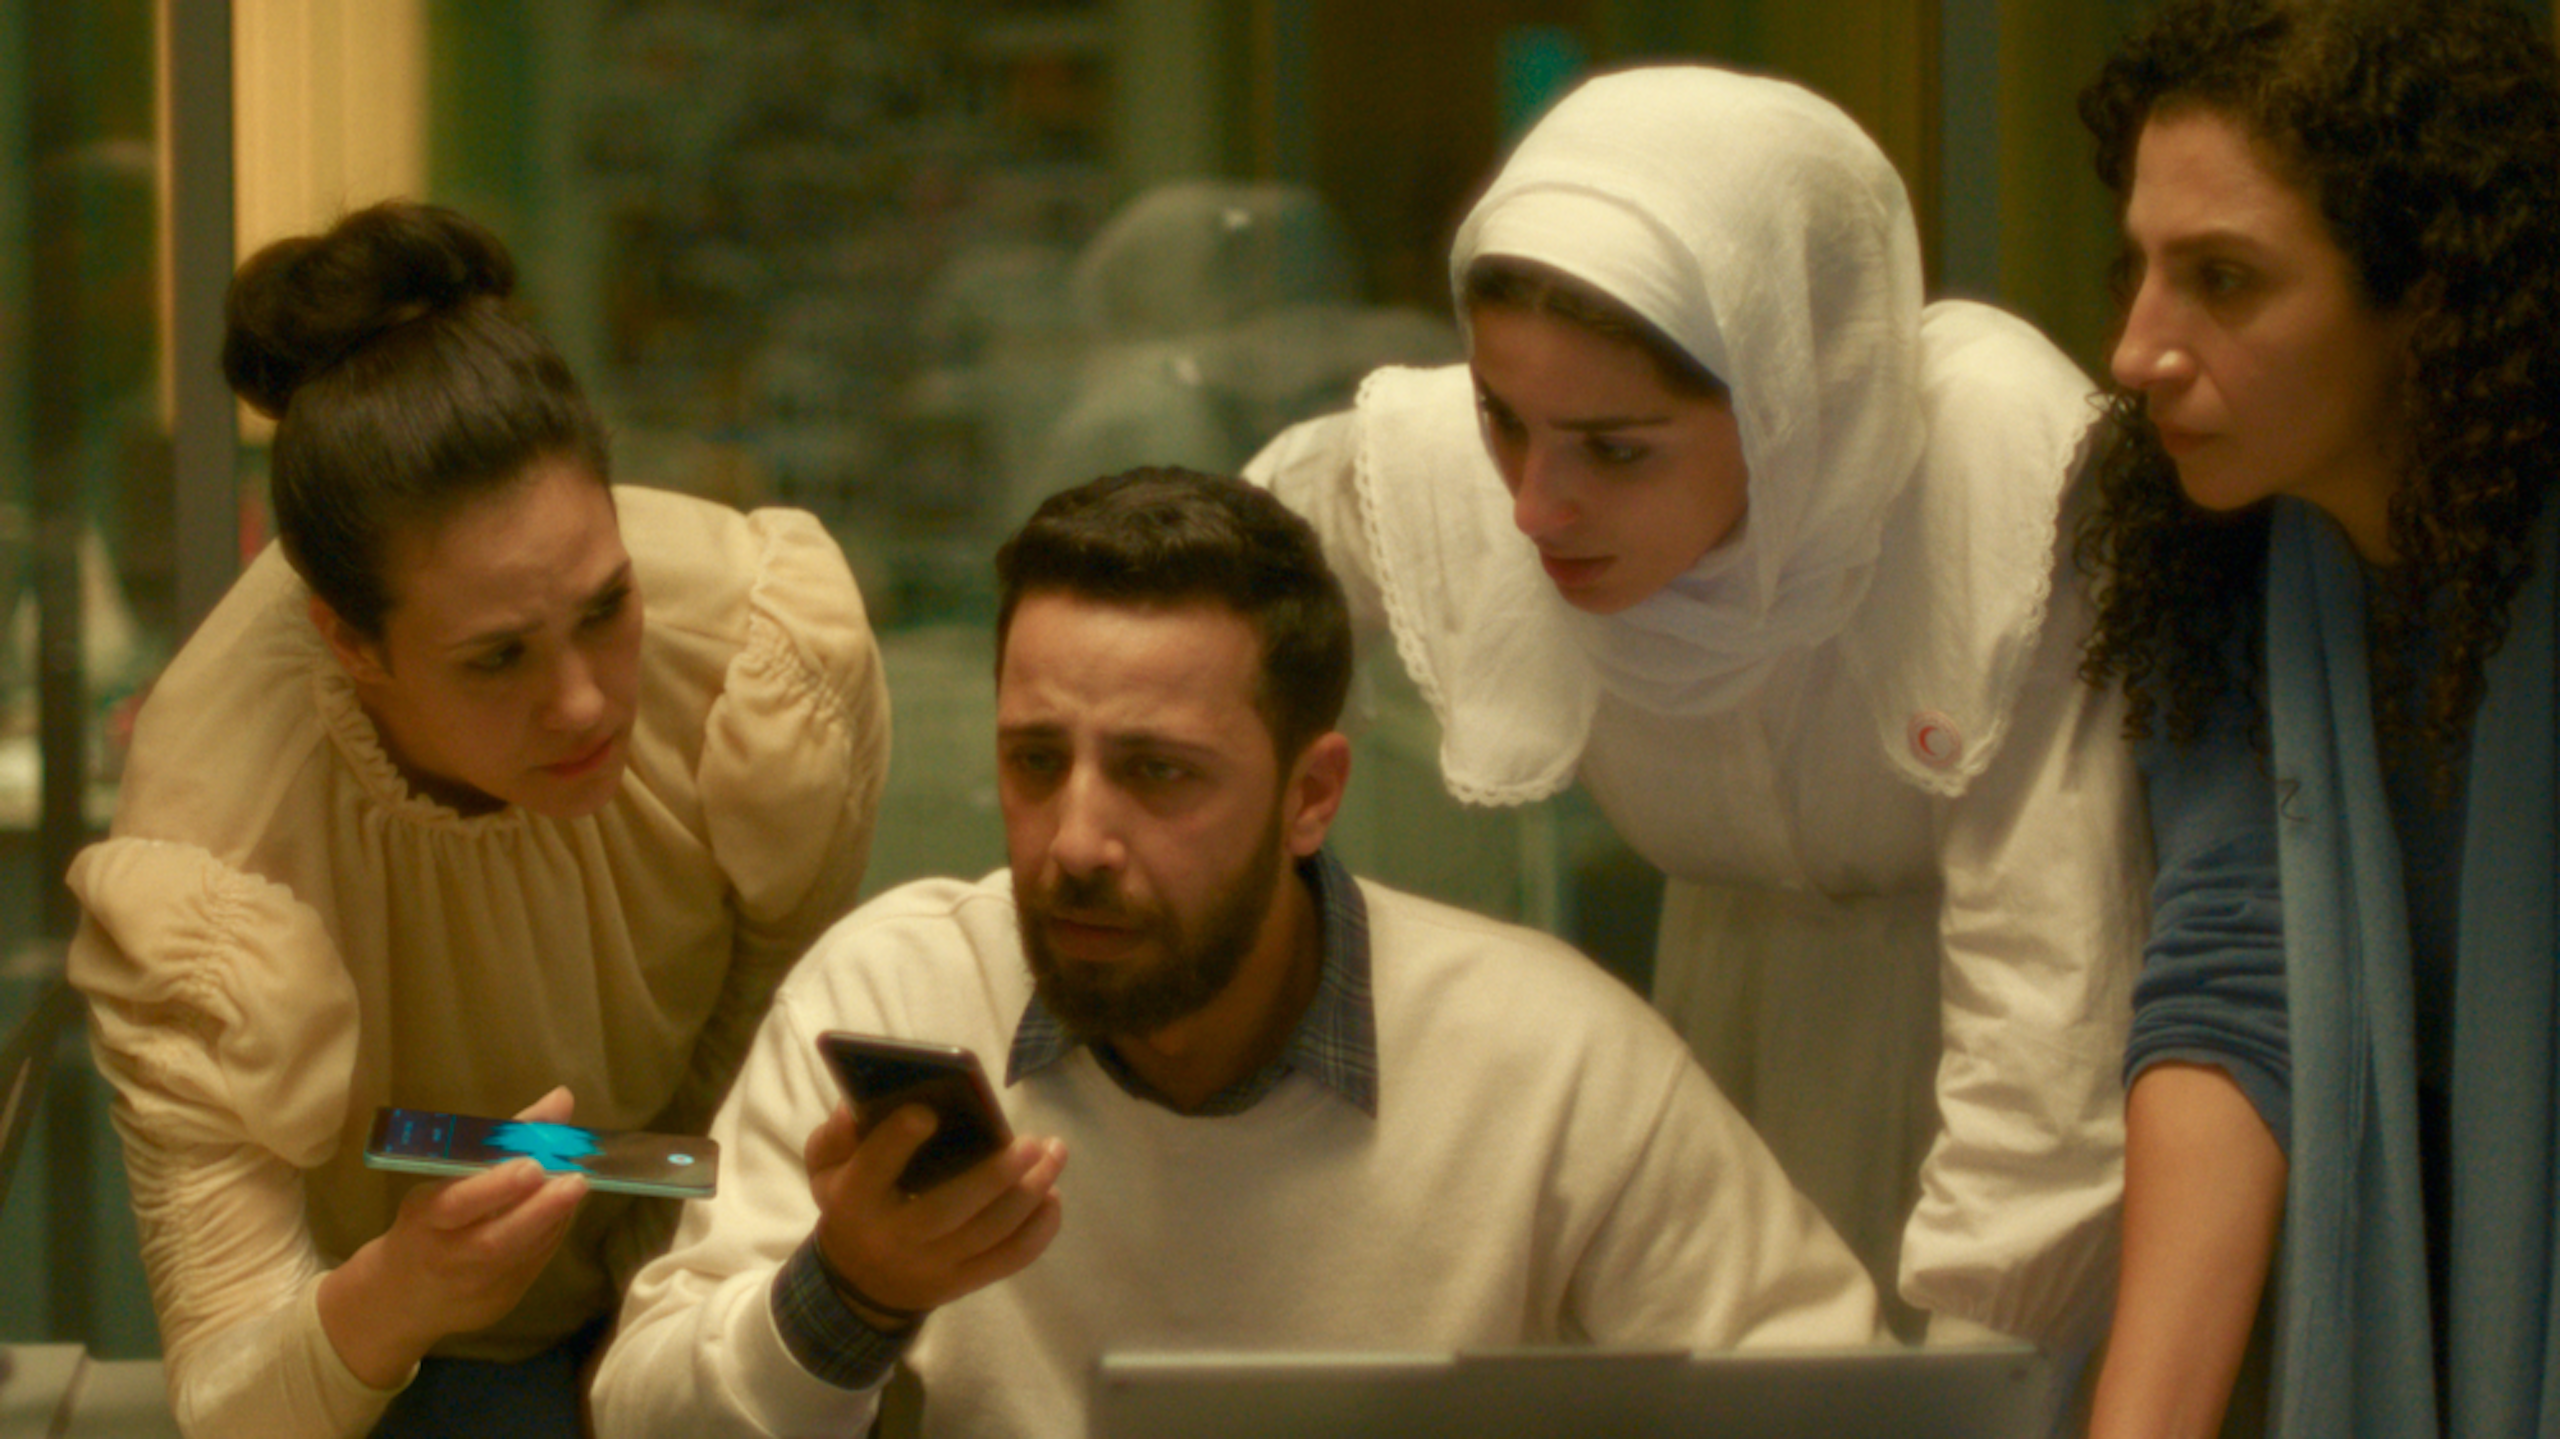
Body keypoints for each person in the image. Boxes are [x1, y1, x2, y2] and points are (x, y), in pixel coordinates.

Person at [590, 468, 1880, 1439]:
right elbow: (642, 1418)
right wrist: (847, 1294)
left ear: (1312, 793)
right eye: (1036, 760)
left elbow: (1835, 1399)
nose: (1076, 839)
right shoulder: (900, 991)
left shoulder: (1546, 1056)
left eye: (1158, 773)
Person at [1244, 64, 2145, 1349]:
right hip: (1710, 1060)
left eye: (1617, 449)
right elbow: (1210, 578)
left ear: (1789, 402)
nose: (1533, 506)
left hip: (1995, 1107)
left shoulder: (1991, 474)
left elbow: (2050, 1016)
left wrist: (1963, 1389)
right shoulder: (1482, 462)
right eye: (1502, 418)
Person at [65, 202, 892, 1437]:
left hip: (697, 1259)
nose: (584, 700)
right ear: (349, 642)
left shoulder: (749, 649)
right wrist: (398, 1295)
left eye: (607, 607)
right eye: (497, 658)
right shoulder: (212, 842)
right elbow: (232, 1395)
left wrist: (655, 1297)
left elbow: (759, 1031)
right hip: (400, 1359)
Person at [2075, 1, 2560, 1434]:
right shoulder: (2204, 543)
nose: (2137, 350)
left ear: (2432, 298)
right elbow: (2234, 983)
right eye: (2141, 267)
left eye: (2221, 279)